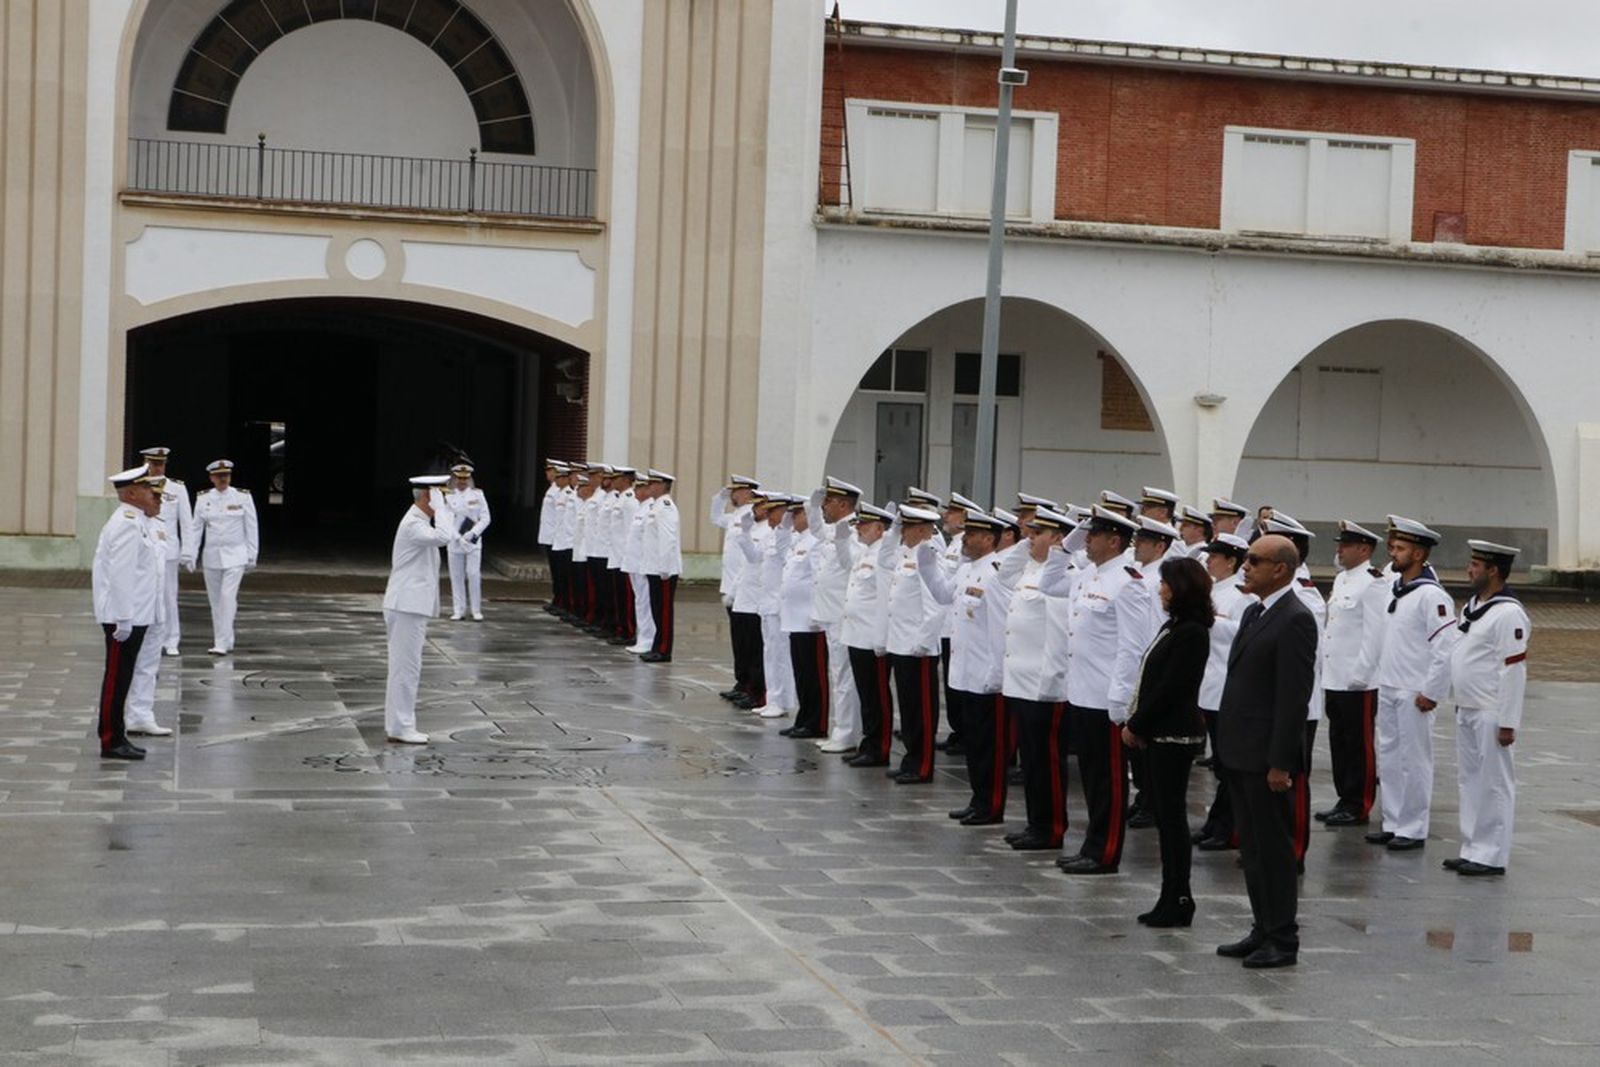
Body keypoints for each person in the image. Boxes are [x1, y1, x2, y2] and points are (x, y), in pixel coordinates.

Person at [1214, 534, 1318, 969]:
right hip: (1241, 751)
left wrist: (1280, 762)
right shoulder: (1256, 612)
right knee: (1253, 850)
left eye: (1255, 560)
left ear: (1280, 569)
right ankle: (1262, 927)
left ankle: (1282, 938)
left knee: (1274, 851)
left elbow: (1292, 698)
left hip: (1265, 759)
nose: (1245, 566)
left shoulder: (1296, 618)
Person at [1423, 540, 1529, 876]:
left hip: (1490, 710)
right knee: (1470, 781)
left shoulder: (1508, 612)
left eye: (1475, 565)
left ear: (1493, 570)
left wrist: (1508, 722)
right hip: (1467, 706)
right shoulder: (1473, 605)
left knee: (1494, 783)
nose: (1469, 570)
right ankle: (1473, 846)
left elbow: (1513, 670)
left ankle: (1492, 855)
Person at [1058, 506, 1150, 875]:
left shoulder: (1128, 583)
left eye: (1093, 535)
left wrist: (1120, 699)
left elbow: (1133, 647)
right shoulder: (1087, 576)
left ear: (1114, 541)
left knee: (1108, 779)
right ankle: (1091, 846)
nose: (1086, 540)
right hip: (1081, 691)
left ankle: (1105, 851)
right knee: (1092, 776)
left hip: (1106, 697)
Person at [1124, 556, 1213, 928]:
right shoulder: (1175, 626)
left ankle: (1179, 896)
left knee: (1172, 818)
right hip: (1160, 730)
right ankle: (1170, 894)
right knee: (1165, 816)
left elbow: (1171, 689)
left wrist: (1137, 725)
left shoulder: (1191, 632)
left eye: (1165, 584)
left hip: (1172, 732)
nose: (1160, 589)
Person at [1366, 516, 1455, 852]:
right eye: (1393, 546)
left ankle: (1414, 828)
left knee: (1414, 760)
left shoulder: (1432, 595)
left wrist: (1432, 691)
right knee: (1388, 756)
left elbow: (1445, 646)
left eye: (1401, 548)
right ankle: (1393, 821)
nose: (1393, 553)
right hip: (1389, 684)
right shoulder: (1398, 587)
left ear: (1418, 554)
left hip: (1413, 690)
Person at [918, 510, 1009, 826]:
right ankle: (978, 798)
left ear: (988, 539)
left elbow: (999, 629)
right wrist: (926, 563)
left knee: (989, 746)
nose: (965, 539)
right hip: (965, 671)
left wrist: (996, 674)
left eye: (971, 535)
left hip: (985, 675)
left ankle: (991, 805)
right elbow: (943, 595)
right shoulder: (966, 570)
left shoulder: (997, 574)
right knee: (974, 743)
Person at [993, 507, 1076, 849]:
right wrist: (1026, 542)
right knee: (1031, 760)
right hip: (1020, 681)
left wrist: (1050, 684)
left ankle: (1052, 828)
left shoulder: (1062, 576)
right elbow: (1002, 575)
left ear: (1058, 539)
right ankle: (1035, 822)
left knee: (1048, 762)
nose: (1029, 537)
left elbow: (1059, 638)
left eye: (1038, 532)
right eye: (1029, 531)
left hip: (1044, 686)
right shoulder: (1030, 568)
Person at [1316, 520, 1389, 827]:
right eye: (1340, 544)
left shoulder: (1373, 582)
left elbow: (1375, 634)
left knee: (1358, 744)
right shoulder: (1343, 579)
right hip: (1335, 675)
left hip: (1358, 680)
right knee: (1339, 740)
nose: (1339, 550)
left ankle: (1359, 803)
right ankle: (1344, 797)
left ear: (1364, 549)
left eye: (1345, 545)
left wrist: (1362, 674)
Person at [92, 466, 165, 760]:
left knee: (122, 678)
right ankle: (110, 740)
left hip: (135, 614)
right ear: (133, 494)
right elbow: (121, 575)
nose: (153, 494)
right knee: (116, 678)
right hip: (125, 617)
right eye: (148, 489)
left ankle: (117, 734)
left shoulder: (138, 522)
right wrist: (123, 618)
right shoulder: (126, 523)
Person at [382, 475, 456, 744]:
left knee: (405, 667)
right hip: (406, 605)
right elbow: (444, 537)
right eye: (440, 496)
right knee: (406, 668)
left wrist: (444, 509)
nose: (444, 501)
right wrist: (443, 509)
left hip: (409, 605)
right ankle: (401, 726)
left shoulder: (420, 521)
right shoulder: (414, 524)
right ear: (428, 497)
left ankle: (398, 724)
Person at [1194, 533, 1252, 850]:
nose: (1208, 561)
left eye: (1214, 557)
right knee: (1221, 764)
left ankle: (1229, 828)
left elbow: (1241, 635)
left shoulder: (1243, 596)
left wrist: (1209, 621)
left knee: (1229, 764)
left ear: (1231, 561)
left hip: (1228, 689)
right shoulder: (1213, 591)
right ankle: (1216, 822)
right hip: (1209, 687)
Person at [883, 504, 946, 783]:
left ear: (922, 530)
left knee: (922, 711)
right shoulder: (903, 553)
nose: (902, 532)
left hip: (918, 647)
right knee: (908, 708)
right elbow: (883, 559)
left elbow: (934, 605)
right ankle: (911, 759)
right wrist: (894, 528)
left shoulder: (928, 556)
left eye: (907, 527)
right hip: (900, 641)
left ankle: (923, 765)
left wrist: (924, 642)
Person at [806, 477, 865, 753]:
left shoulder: (853, 529)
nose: (825, 506)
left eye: (828, 502)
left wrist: (842, 541)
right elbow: (817, 530)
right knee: (839, 674)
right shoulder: (836, 528)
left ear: (843, 504)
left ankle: (846, 733)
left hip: (843, 613)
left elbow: (851, 564)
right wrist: (812, 506)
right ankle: (842, 729)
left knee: (844, 676)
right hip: (830, 611)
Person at [123, 470, 178, 740]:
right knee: (129, 665)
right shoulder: (130, 524)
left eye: (160, 496)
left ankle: (142, 715)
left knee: (150, 664)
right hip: (135, 609)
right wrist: (121, 612)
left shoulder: (158, 525)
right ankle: (127, 714)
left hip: (155, 608)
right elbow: (118, 572)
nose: (159, 501)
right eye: (154, 495)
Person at [840, 503, 896, 767]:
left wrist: (881, 638)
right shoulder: (865, 553)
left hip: (872, 637)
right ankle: (868, 743)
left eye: (864, 525)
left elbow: (886, 599)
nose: (859, 528)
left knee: (877, 696)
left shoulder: (884, 558)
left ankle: (879, 748)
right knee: (866, 694)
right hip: (856, 633)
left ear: (880, 529)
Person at [193, 459, 258, 655]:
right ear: (212, 478)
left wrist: (252, 554)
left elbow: (251, 527)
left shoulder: (242, 497)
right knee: (216, 601)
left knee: (227, 597)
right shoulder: (203, 498)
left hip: (236, 556)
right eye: (219, 476)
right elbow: (196, 528)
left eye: (226, 475)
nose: (223, 479)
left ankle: (220, 643)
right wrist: (190, 553)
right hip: (212, 556)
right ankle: (225, 638)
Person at [778, 498, 829, 738]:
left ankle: (816, 722)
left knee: (814, 675)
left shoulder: (816, 542)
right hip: (793, 618)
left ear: (808, 515)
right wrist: (784, 524)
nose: (792, 518)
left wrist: (817, 613)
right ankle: (803, 718)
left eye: (795, 514)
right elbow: (779, 552)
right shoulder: (798, 540)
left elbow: (819, 578)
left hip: (810, 620)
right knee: (801, 672)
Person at [138, 447, 196, 655]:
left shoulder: (177, 489)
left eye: (160, 464)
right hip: (146, 549)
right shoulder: (140, 486)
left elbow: (187, 523)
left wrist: (188, 551)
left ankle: (172, 639)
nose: (156, 468)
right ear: (146, 464)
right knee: (147, 594)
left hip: (169, 550)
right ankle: (150, 636)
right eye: (153, 464)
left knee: (169, 596)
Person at [712, 475, 762, 706]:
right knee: (738, 639)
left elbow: (748, 558)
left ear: (749, 492)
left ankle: (751, 684)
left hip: (744, 588)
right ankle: (741, 682)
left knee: (748, 641)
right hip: (731, 584)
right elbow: (714, 518)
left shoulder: (752, 517)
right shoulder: (735, 516)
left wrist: (735, 588)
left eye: (736, 491)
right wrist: (719, 498)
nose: (733, 495)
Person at [639, 470, 682, 662]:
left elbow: (668, 539)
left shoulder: (665, 507)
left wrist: (664, 567)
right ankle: (657, 645)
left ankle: (664, 650)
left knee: (663, 611)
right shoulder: (655, 506)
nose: (649, 487)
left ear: (663, 486)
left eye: (653, 483)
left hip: (663, 570)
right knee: (657, 609)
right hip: (654, 567)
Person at [443, 463, 491, 621]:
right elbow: (446, 520)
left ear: (469, 479)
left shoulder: (478, 495)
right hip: (455, 541)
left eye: (465, 479)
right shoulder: (448, 496)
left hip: (473, 542)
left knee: (473, 574)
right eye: (459, 479)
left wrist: (472, 533)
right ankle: (459, 609)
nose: (462, 482)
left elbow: (485, 518)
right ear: (454, 479)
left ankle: (476, 609)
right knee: (456, 576)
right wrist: (457, 537)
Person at [537, 461, 568, 615]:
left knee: (560, 572)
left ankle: (560, 600)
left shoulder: (560, 491)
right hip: (550, 536)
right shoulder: (553, 489)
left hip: (557, 537)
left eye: (550, 471)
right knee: (555, 571)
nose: (548, 474)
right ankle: (557, 599)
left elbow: (560, 518)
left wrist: (557, 537)